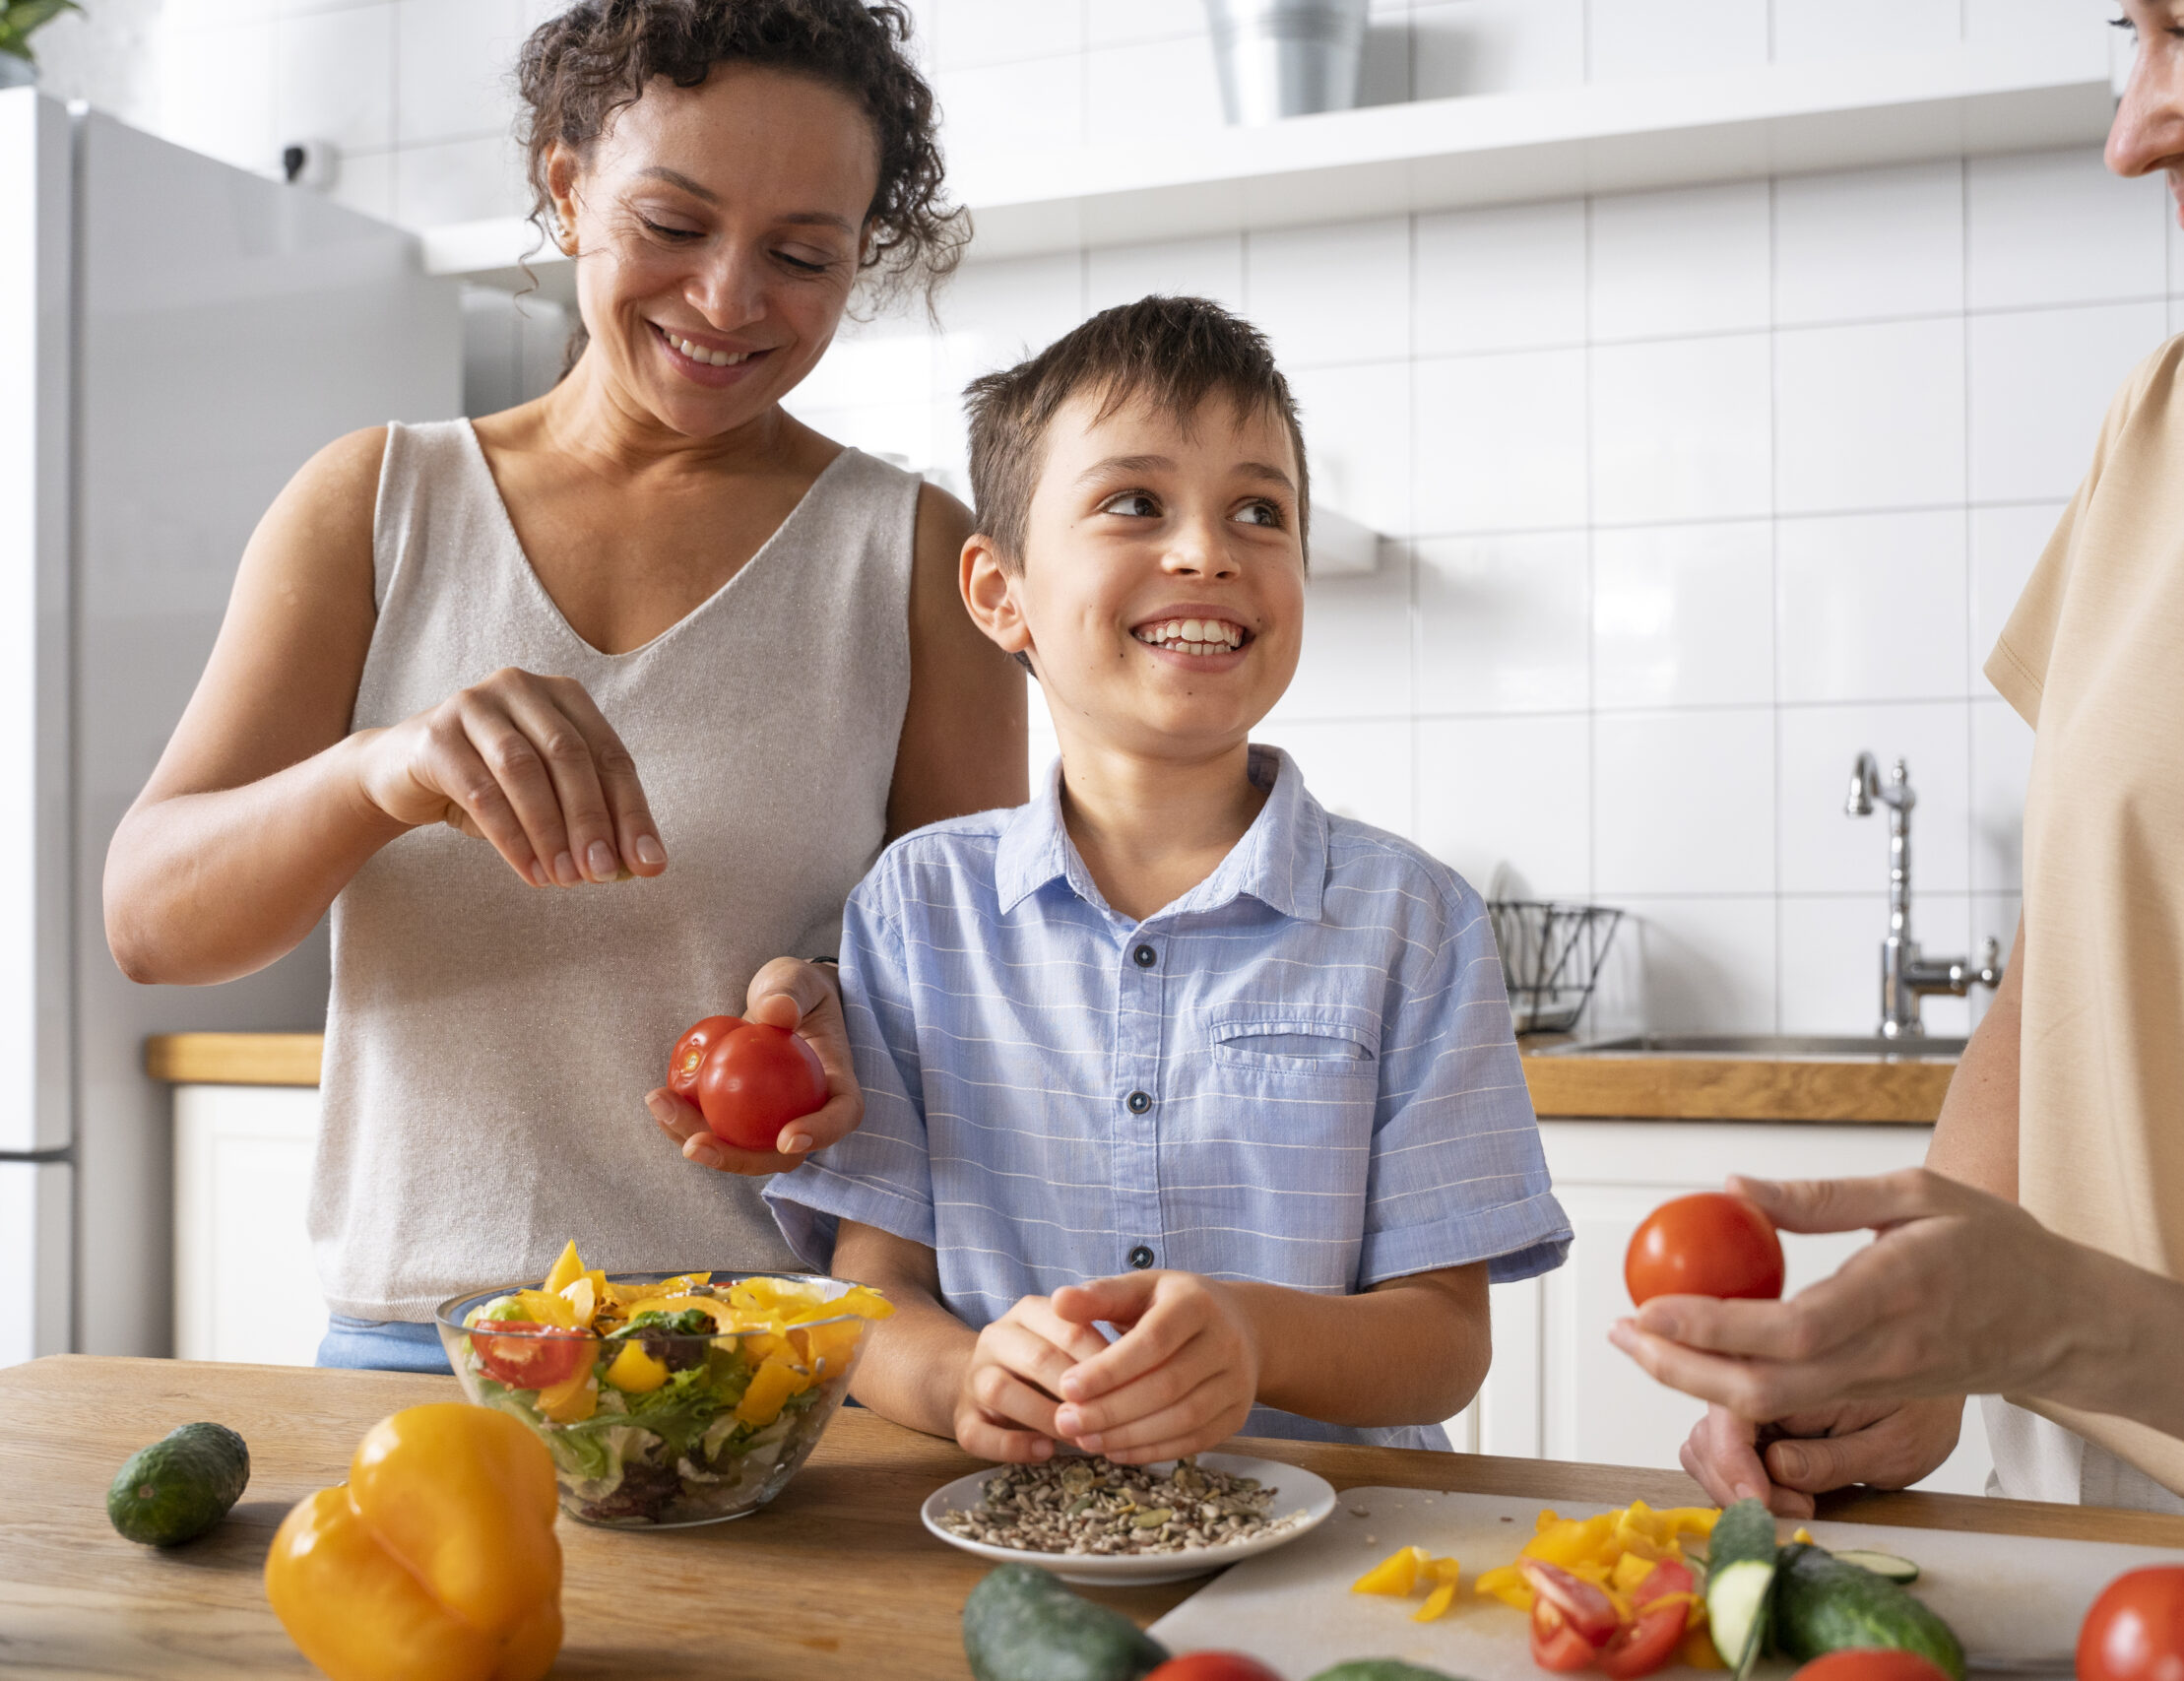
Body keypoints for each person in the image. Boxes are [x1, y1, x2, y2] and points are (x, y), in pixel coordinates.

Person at [1612, 0, 2184, 1546]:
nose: (2133, 133)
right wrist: (1934, 1342)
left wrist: (2071, 1327)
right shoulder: (2172, 415)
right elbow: (2067, 967)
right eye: (2134, 33)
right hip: (2079, 1545)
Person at [101, 0, 1023, 1372]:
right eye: (672, 224)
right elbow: (151, 919)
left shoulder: (914, 557)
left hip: (777, 1360)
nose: (726, 298)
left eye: (800, 255)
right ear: (565, 181)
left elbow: (979, 985)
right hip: (429, 1344)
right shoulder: (376, 504)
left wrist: (842, 1006)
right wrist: (383, 771)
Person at [735, 297, 1572, 1459]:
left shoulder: (1413, 921)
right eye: (1135, 503)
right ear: (998, 594)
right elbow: (871, 1299)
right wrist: (963, 1382)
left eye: (1258, 512)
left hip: (1342, 1552)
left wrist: (1254, 1339)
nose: (1206, 550)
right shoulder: (916, 909)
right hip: (1015, 1529)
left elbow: (1443, 1345)